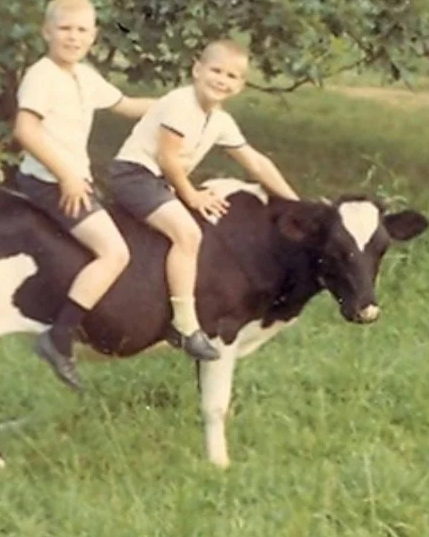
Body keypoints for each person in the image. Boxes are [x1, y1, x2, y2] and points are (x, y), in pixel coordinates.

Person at [107, 39, 300, 361]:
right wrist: (191, 195)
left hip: (160, 181)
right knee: (189, 234)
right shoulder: (181, 104)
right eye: (216, 70)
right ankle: (185, 325)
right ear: (197, 69)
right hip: (135, 175)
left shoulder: (220, 121)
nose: (222, 80)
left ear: (240, 85)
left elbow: (255, 163)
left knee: (195, 230)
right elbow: (167, 157)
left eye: (232, 76)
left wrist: (296, 204)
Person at [14, 0, 153, 391]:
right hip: (48, 181)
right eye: (64, 29)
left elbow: (125, 104)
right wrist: (67, 176)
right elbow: (25, 131)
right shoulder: (42, 75)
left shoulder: (83, 76)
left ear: (93, 36)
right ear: (46, 32)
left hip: (70, 177)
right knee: (115, 251)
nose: (73, 38)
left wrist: (180, 103)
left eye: (81, 30)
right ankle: (60, 336)